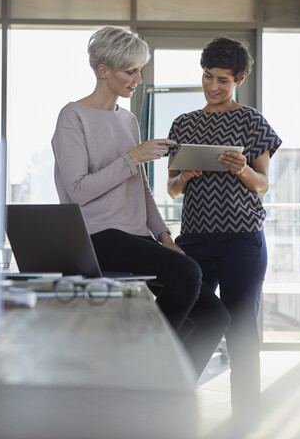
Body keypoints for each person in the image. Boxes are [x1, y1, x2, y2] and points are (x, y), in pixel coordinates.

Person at [52, 26, 229, 377]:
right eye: (129, 71)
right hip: (95, 236)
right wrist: (133, 156)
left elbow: (140, 189)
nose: (138, 78)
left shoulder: (128, 119)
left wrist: (164, 238)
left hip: (135, 237)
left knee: (214, 316)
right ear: (103, 70)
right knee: (188, 273)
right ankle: (139, 367)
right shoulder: (72, 117)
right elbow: (79, 190)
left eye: (140, 69)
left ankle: (169, 391)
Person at [167, 37, 282, 427]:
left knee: (241, 333)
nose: (212, 86)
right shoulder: (183, 124)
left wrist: (242, 168)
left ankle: (246, 423)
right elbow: (170, 189)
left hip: (242, 239)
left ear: (240, 78)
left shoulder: (252, 122)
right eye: (207, 76)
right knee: (194, 323)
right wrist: (184, 175)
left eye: (223, 80)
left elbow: (264, 184)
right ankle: (173, 411)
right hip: (195, 238)